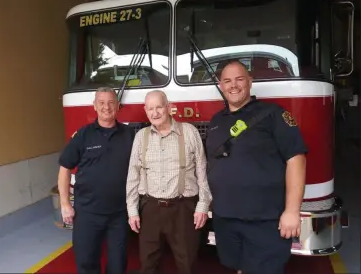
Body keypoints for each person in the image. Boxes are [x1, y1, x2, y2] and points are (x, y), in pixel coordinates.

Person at [206, 60, 308, 274]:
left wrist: (291, 211)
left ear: (250, 82)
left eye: (239, 79)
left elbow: (296, 159)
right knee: (238, 267)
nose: (233, 85)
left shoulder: (274, 115)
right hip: (225, 218)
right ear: (221, 86)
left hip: (264, 219)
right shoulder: (215, 121)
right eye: (227, 81)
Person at [126, 90, 212, 274]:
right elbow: (133, 175)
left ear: (169, 107)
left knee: (187, 263)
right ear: (145, 110)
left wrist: (203, 205)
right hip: (150, 208)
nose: (155, 113)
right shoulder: (141, 136)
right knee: (148, 264)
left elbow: (202, 171)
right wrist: (132, 211)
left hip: (183, 209)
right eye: (150, 109)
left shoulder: (189, 132)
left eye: (159, 107)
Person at [58, 87, 135, 274]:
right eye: (101, 103)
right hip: (87, 213)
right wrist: (65, 203)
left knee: (118, 265)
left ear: (118, 106)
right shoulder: (82, 135)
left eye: (110, 102)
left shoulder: (130, 135)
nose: (106, 107)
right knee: (86, 262)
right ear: (94, 106)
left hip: (119, 213)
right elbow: (64, 169)